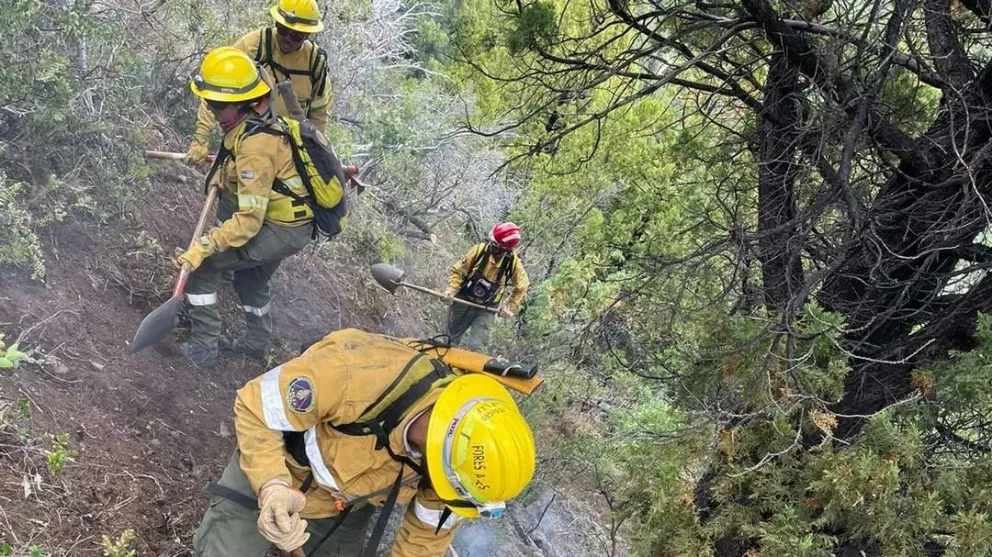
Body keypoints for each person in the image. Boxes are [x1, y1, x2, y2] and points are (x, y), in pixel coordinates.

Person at [192, 328, 536, 557]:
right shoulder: (355, 371)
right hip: (281, 468)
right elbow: (256, 406)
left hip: (345, 503)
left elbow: (422, 542)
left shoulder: (457, 476)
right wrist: (271, 487)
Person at [176, 47, 315, 368]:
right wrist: (222, 175)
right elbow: (247, 175)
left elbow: (249, 221)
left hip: (280, 229)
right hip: (291, 223)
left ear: (240, 103)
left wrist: (203, 247)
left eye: (216, 105)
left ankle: (203, 347)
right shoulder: (250, 123)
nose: (210, 109)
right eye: (208, 103)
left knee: (203, 269)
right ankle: (256, 345)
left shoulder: (255, 146)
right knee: (251, 280)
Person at [186, 0, 332, 165]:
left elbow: (319, 113)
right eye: (283, 30)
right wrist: (201, 139)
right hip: (248, 146)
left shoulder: (315, 63)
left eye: (297, 36)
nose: (288, 39)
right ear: (276, 23)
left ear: (308, 35)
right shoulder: (253, 47)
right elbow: (214, 91)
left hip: (291, 156)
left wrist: (318, 154)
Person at [443, 223, 530, 349]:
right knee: (448, 339)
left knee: (477, 346)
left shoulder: (512, 263)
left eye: (494, 245)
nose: (490, 246)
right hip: (463, 298)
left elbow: (523, 286)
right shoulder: (479, 250)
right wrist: (451, 289)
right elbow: (458, 271)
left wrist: (509, 307)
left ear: (504, 250)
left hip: (487, 308)